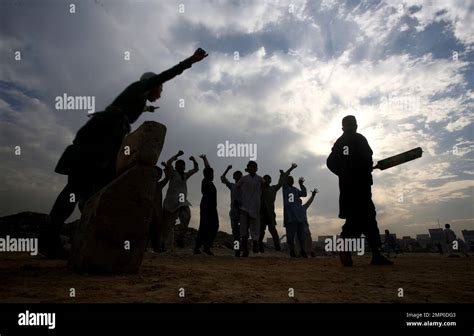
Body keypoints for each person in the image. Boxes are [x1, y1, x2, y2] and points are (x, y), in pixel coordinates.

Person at [43, 48, 208, 258]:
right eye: (160, 88)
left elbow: (130, 110)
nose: (161, 92)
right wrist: (190, 61)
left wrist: (147, 110)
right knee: (76, 188)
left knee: (93, 192)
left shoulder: (135, 101)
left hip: (104, 146)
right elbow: (167, 73)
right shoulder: (140, 87)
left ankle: (89, 240)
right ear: (154, 84)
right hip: (96, 142)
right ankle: (50, 237)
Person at [327, 115, 392, 266]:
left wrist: (346, 172)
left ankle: (375, 254)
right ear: (347, 127)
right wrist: (349, 172)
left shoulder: (346, 141)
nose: (350, 126)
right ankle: (347, 247)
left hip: (354, 186)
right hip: (357, 187)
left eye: (351, 124)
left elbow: (332, 163)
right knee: (360, 217)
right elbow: (332, 162)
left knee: (365, 218)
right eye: (348, 124)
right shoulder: (352, 140)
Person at [162, 151, 199, 249]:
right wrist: (177, 155)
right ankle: (164, 244)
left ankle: (180, 237)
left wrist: (194, 160)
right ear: (176, 166)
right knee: (169, 223)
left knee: (187, 216)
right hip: (171, 201)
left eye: (183, 165)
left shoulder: (185, 175)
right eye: (179, 165)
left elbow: (196, 169)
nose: (182, 166)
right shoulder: (173, 173)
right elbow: (169, 162)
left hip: (182, 201)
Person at [259, 163, 298, 253]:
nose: (267, 180)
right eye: (265, 179)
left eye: (268, 179)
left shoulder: (273, 189)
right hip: (261, 213)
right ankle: (259, 245)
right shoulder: (259, 189)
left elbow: (281, 181)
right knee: (261, 230)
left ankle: (277, 246)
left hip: (270, 214)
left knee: (273, 230)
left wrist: (290, 169)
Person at [235, 161, 263, 257]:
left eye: (255, 167)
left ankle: (255, 245)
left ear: (256, 168)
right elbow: (236, 188)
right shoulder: (243, 179)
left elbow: (265, 186)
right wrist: (239, 200)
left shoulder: (260, 179)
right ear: (248, 168)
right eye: (251, 167)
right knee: (243, 229)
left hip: (255, 207)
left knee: (255, 228)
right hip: (244, 207)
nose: (253, 169)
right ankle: (245, 250)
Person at [194, 155, 219, 256]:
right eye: (211, 174)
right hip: (206, 208)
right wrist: (204, 160)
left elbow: (208, 168)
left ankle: (205, 246)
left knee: (213, 227)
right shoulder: (206, 181)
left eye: (212, 173)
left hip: (212, 208)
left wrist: (205, 159)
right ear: (207, 175)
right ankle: (200, 247)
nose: (213, 175)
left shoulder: (210, 182)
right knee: (205, 227)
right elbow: (207, 169)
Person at [282, 176, 308, 258]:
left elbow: (304, 194)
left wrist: (301, 185)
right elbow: (283, 177)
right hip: (290, 216)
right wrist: (288, 171)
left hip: (299, 216)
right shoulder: (285, 188)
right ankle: (292, 251)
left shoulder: (295, 190)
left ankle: (303, 250)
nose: (291, 181)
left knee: (301, 235)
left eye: (292, 180)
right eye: (289, 179)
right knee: (290, 236)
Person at [221, 165, 243, 257]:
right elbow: (222, 178)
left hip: (243, 212)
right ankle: (237, 250)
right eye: (236, 175)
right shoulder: (232, 186)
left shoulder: (245, 188)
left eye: (239, 176)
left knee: (244, 233)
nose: (238, 177)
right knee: (235, 233)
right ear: (234, 177)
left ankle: (244, 249)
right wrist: (227, 169)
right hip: (234, 213)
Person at [149, 163, 172, 252]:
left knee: (156, 231)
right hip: (148, 212)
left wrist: (166, 167)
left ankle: (157, 248)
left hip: (157, 213)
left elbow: (168, 177)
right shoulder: (147, 184)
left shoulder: (159, 185)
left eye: (160, 174)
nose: (158, 175)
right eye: (157, 173)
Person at [302, 188, 318, 257]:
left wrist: (313, 195)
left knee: (307, 239)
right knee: (305, 240)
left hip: (304, 226)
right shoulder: (302, 207)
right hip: (301, 226)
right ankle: (307, 252)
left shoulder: (303, 207)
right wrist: (313, 195)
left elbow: (309, 202)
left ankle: (310, 252)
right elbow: (309, 202)